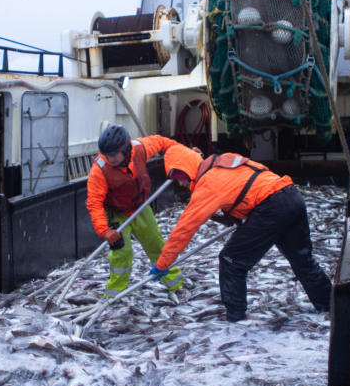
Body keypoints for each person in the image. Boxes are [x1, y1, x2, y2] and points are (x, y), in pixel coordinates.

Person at [150, 145, 331, 321]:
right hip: (291, 196)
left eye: (180, 175)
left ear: (188, 167)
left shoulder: (208, 183)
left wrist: (163, 263)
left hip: (271, 207)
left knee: (231, 260)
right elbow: (249, 184)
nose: (180, 182)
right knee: (303, 260)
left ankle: (235, 319)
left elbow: (185, 227)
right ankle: (332, 305)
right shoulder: (222, 161)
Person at [86, 124, 184, 297]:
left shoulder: (140, 148)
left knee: (156, 244)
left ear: (125, 149)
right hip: (116, 213)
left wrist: (185, 155)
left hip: (140, 207)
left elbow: (164, 143)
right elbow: (94, 203)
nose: (110, 159)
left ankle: (175, 285)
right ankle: (113, 295)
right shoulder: (99, 170)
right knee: (121, 254)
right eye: (107, 154)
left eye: (114, 154)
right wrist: (105, 231)